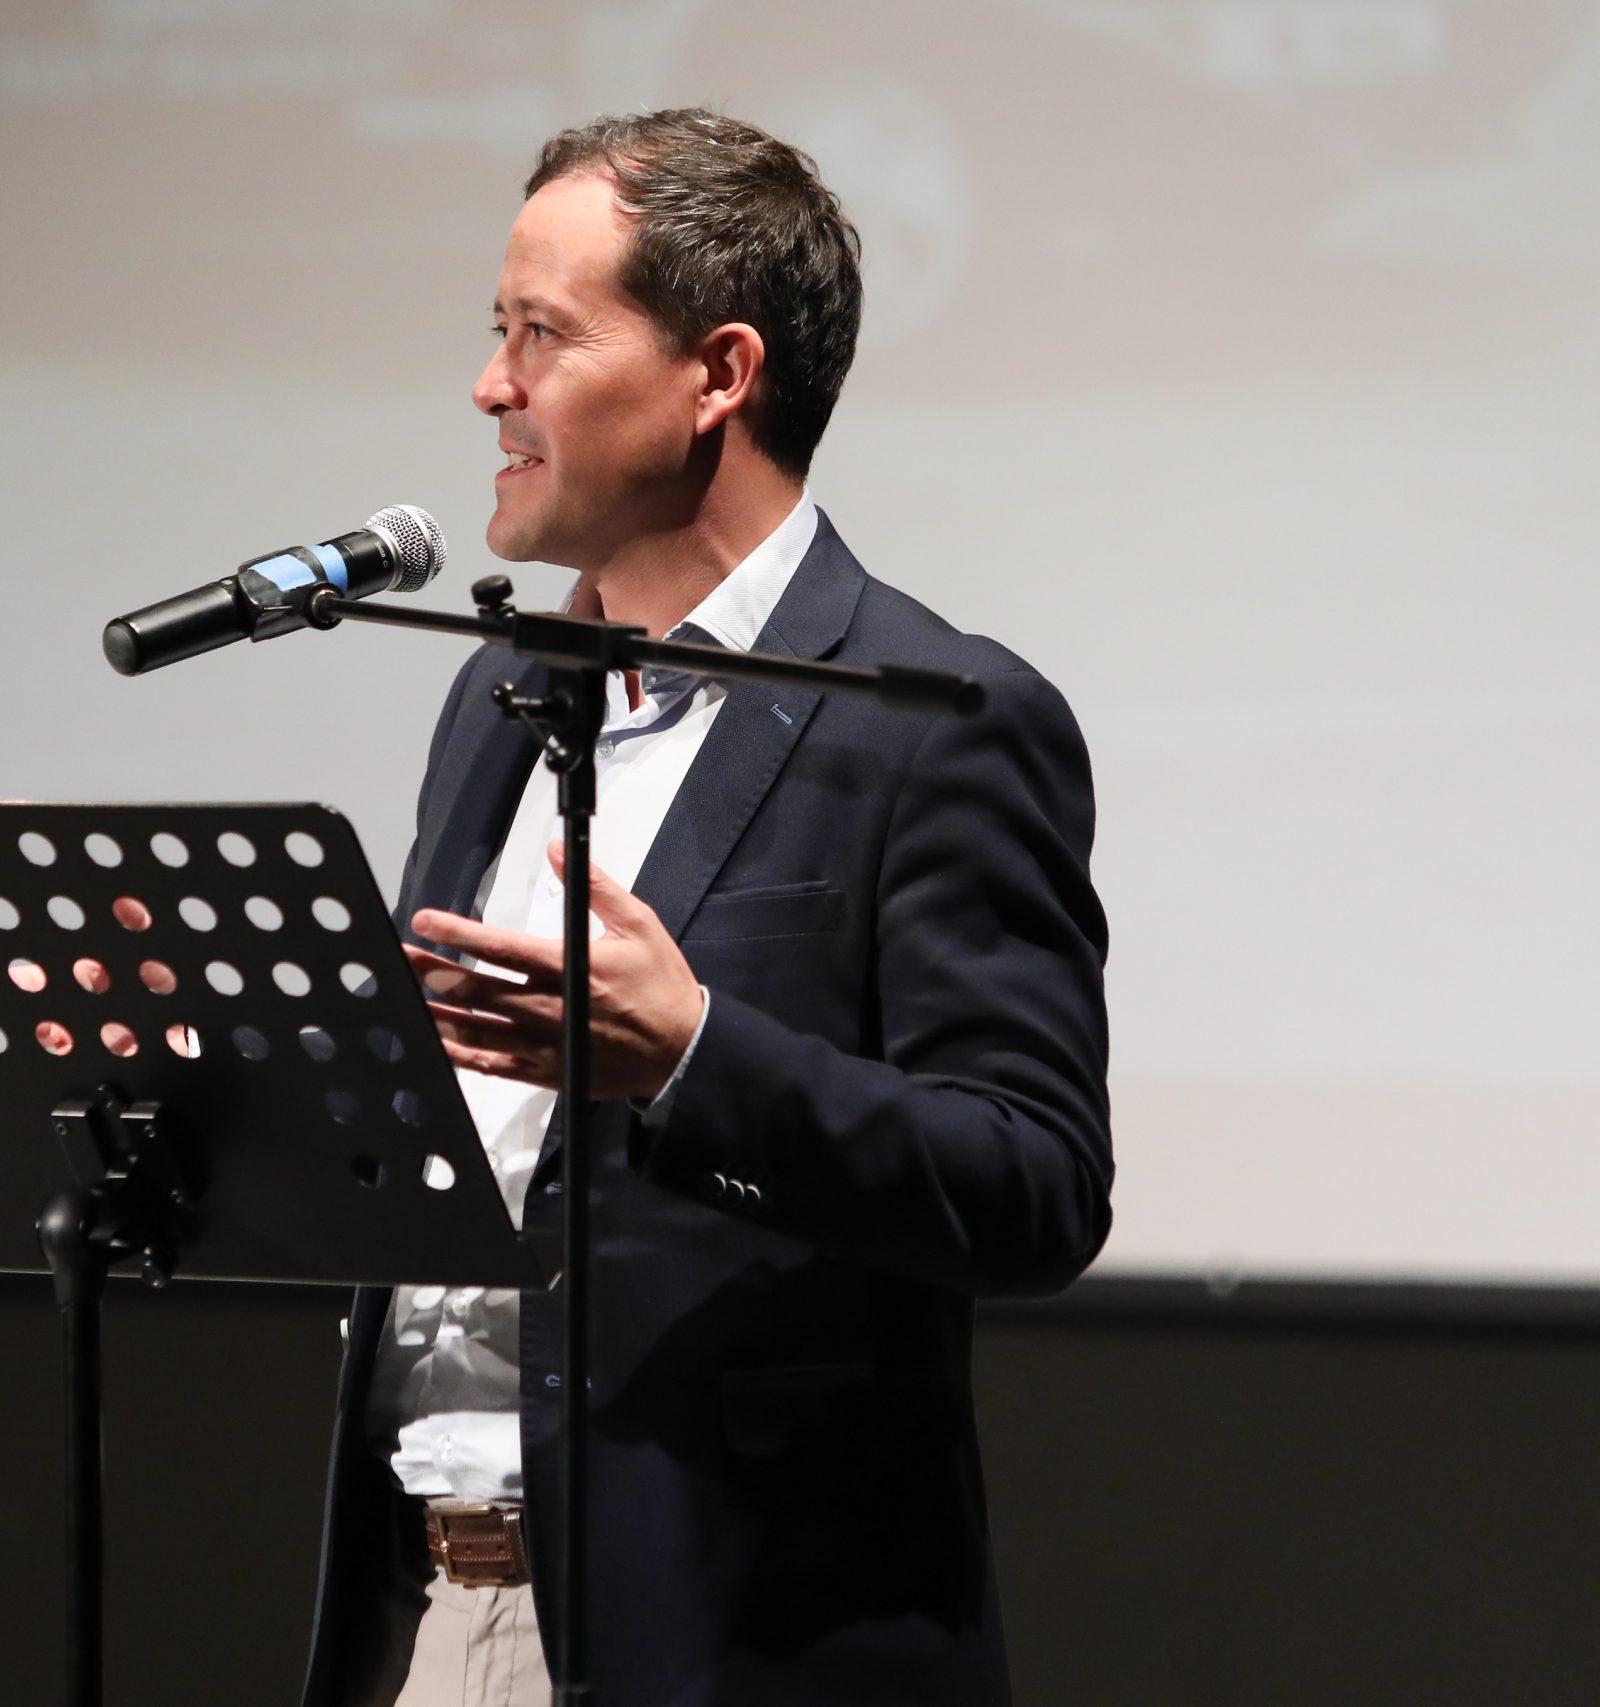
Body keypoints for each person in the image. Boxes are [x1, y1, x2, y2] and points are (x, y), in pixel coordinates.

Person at [300, 109, 1113, 1707]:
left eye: (542, 334)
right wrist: (219, 1055)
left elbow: (1034, 1184)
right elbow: (472, 1120)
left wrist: (693, 1058)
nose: (491, 386)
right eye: (495, 330)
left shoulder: (932, 720)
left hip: (726, 1644)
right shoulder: (497, 697)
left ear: (719, 375)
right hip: (428, 1611)